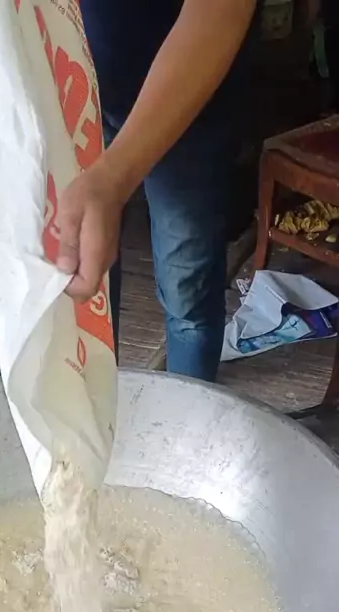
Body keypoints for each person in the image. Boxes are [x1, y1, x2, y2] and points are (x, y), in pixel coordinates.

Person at [56, 0, 261, 380]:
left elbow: (220, 10)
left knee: (188, 295)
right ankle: (99, 408)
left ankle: (188, 411)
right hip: (80, 89)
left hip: (190, 104)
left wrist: (112, 177)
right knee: (84, 279)